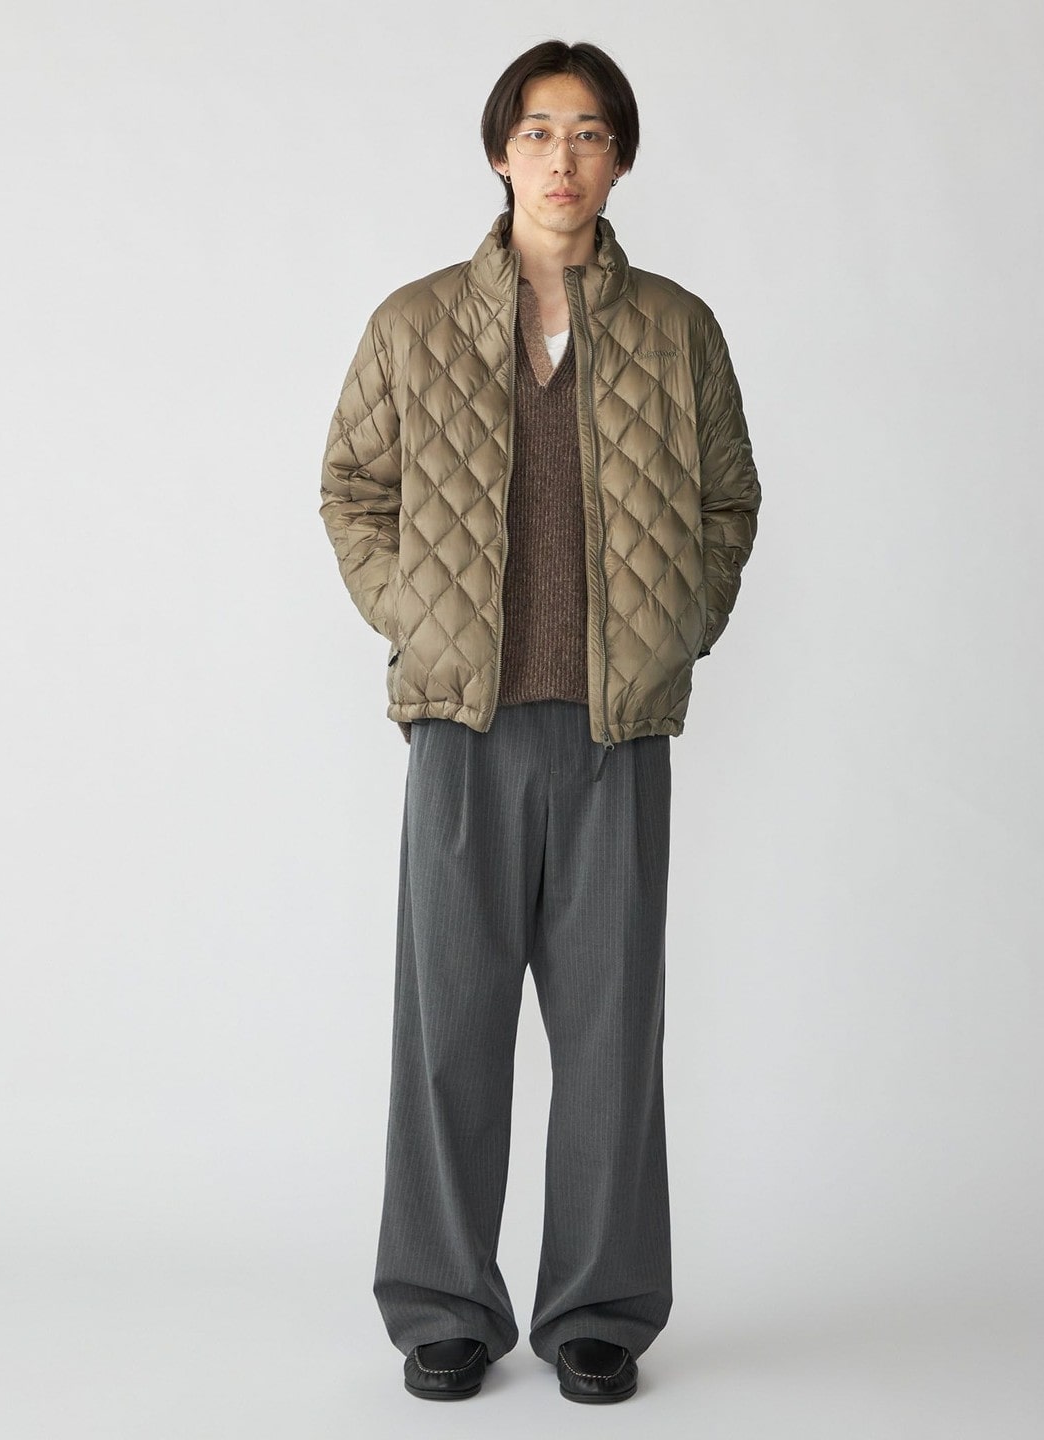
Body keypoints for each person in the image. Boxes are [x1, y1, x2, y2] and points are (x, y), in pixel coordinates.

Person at [319, 39, 760, 1405]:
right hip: (464, 728)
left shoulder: (678, 329)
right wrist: (418, 618)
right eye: (536, 131)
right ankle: (444, 1305)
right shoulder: (415, 323)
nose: (561, 158)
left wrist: (680, 624)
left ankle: (599, 1310)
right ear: (499, 152)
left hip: (615, 732)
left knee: (613, 1036)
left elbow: (730, 502)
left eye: (587, 133)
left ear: (618, 159)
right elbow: (351, 489)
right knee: (449, 1030)